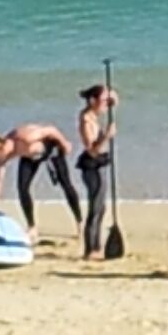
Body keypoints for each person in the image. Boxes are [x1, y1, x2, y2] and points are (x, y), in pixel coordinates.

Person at [0, 123, 82, 230]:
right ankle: (32, 227)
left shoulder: (25, 137)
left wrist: (64, 144)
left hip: (50, 149)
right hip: (30, 157)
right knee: (22, 188)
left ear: (1, 148)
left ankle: (79, 222)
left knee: (66, 184)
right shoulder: (2, 156)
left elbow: (51, 130)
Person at [75, 81, 118, 261]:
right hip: (91, 166)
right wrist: (107, 137)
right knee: (95, 207)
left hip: (99, 165)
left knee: (102, 207)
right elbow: (92, 150)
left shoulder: (94, 115)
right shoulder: (86, 120)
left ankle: (97, 245)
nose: (105, 104)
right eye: (102, 101)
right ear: (92, 101)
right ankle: (90, 248)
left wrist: (112, 99)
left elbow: (114, 98)